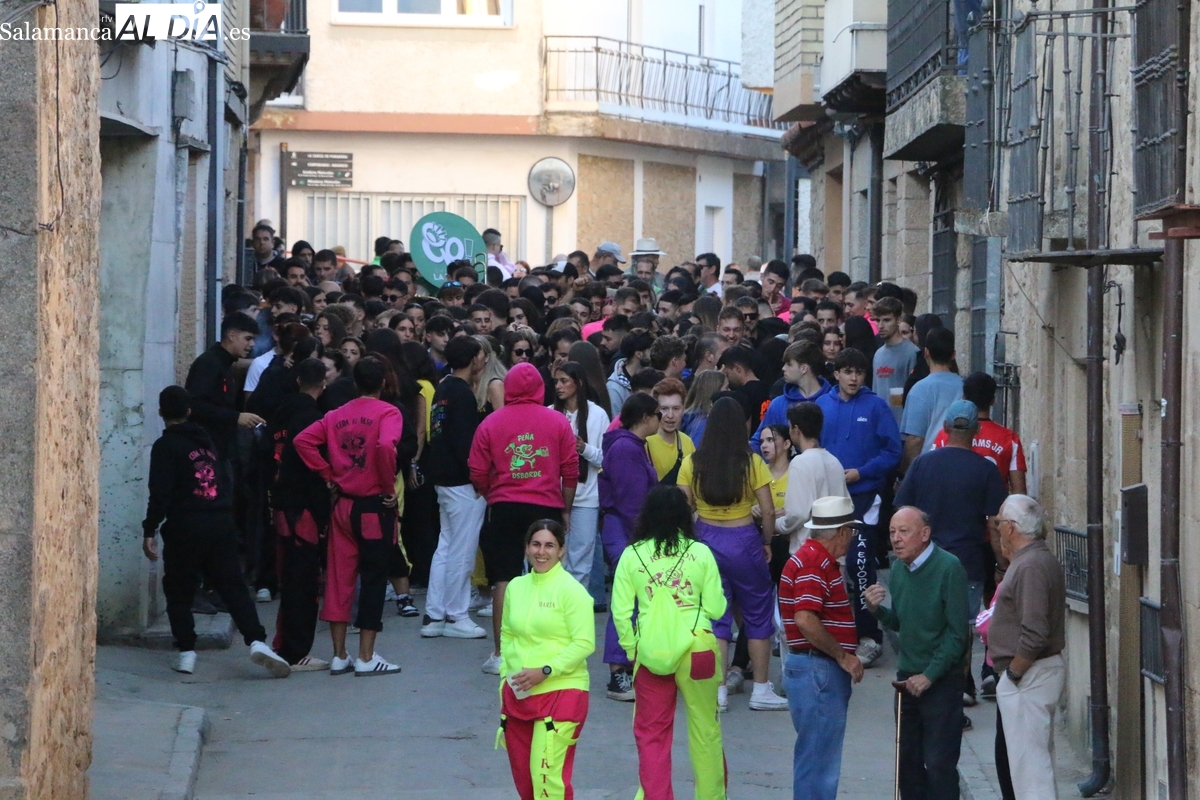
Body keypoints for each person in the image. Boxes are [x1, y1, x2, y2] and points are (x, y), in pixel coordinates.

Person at [141, 386, 291, 678]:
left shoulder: (165, 446)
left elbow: (159, 492)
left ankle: (186, 651)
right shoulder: (208, 442)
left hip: (185, 525)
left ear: (160, 413)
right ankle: (257, 640)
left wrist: (150, 528)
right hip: (219, 521)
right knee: (233, 586)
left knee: (179, 590)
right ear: (189, 412)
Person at [611, 486, 728, 799]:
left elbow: (620, 612)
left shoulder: (632, 555)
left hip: (652, 653)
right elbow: (717, 608)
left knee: (652, 734)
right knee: (705, 730)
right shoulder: (700, 552)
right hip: (698, 649)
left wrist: (632, 648)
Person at [293, 357, 404, 676]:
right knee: (373, 579)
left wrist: (328, 473)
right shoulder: (388, 412)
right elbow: (386, 446)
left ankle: (339, 654)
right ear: (383, 382)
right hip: (373, 506)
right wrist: (388, 487)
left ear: (355, 383)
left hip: (342, 505)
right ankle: (366, 657)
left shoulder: (335, 415)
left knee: (339, 580)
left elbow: (303, 441)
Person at [677, 397, 788, 711]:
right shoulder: (752, 463)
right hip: (744, 540)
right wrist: (766, 542)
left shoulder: (691, 463)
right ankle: (761, 690)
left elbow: (684, 508)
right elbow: (768, 511)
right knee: (757, 613)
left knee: (715, 617)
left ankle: (719, 691)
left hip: (706, 540)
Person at [895, 400, 1007, 708]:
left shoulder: (922, 464)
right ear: (976, 430)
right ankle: (958, 689)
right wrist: (1001, 564)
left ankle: (925, 685)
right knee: (961, 630)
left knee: (927, 626)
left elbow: (903, 510)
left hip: (925, 562)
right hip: (967, 563)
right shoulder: (985, 470)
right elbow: (995, 523)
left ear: (945, 428)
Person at [470, 363, 580, 676]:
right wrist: (566, 509)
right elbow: (570, 470)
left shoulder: (491, 422)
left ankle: (500, 654)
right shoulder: (557, 421)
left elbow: (477, 470)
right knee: (547, 578)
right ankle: (546, 649)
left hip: (505, 506)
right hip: (545, 507)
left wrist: (492, 493)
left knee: (503, 580)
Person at [865, 507, 970, 800]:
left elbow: (958, 634)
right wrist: (876, 610)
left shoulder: (949, 568)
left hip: (942, 680)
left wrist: (929, 675)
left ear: (925, 534)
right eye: (892, 532)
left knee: (938, 764)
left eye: (904, 531)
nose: (896, 539)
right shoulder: (899, 569)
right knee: (907, 764)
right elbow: (901, 621)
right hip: (906, 679)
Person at [816, 348, 901, 668]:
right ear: (836, 374)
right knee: (826, 566)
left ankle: (870, 636)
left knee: (860, 563)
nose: (854, 378)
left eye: (859, 372)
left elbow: (893, 451)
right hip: (829, 501)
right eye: (848, 372)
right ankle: (829, 633)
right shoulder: (822, 405)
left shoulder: (876, 406)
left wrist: (862, 473)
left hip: (864, 499)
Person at [498, 520, 595, 800]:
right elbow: (507, 634)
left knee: (547, 780)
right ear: (527, 548)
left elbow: (585, 643)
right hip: (518, 694)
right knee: (525, 783)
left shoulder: (572, 591)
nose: (542, 552)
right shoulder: (515, 587)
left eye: (549, 545)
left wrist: (546, 670)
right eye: (536, 544)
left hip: (563, 692)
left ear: (561, 550)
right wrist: (505, 678)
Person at [779, 496, 865, 800]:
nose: (852, 538)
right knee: (819, 761)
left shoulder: (811, 558)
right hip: (818, 669)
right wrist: (843, 656)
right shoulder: (815, 562)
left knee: (816, 757)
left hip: (812, 668)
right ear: (842, 532)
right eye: (851, 531)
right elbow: (805, 618)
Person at [988, 495, 1066, 799]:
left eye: (998, 523)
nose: (996, 528)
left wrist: (1012, 675)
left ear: (1010, 527)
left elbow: (1034, 632)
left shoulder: (1030, 565)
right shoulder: (1033, 560)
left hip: (1029, 676)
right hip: (1031, 674)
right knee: (1029, 765)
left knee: (1030, 770)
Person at [422, 337, 490, 640]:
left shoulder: (443, 389)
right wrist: (478, 479)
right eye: (481, 355)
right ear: (473, 359)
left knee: (446, 547)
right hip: (463, 483)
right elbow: (466, 444)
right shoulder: (462, 394)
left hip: (444, 479)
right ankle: (456, 615)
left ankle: (435, 614)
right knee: (462, 550)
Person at [266, 358, 331, 670]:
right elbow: (314, 474)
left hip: (280, 503)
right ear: (323, 384)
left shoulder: (279, 413)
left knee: (289, 577)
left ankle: (284, 644)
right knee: (303, 581)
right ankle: (295, 650)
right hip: (303, 510)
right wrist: (323, 515)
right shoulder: (313, 420)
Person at [598, 393, 661, 701]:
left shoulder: (632, 445)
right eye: (658, 414)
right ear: (646, 417)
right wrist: (642, 542)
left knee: (631, 600)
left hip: (628, 531)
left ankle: (627, 669)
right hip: (626, 533)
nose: (663, 419)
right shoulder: (626, 449)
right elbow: (631, 503)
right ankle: (618, 673)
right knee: (627, 602)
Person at [551, 362, 610, 585]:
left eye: (564, 381)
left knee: (581, 563)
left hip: (586, 498)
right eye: (556, 381)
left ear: (579, 383)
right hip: (554, 496)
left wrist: (583, 448)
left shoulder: (598, 414)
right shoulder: (550, 413)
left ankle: (576, 605)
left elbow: (605, 459)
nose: (558, 386)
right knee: (554, 559)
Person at [184, 311, 264, 462]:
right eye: (248, 338)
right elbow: (196, 405)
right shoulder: (209, 364)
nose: (251, 344)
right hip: (208, 449)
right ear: (232, 335)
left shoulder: (223, 364)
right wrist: (236, 417)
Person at [931, 372, 1027, 494]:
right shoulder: (1009, 439)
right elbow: (1019, 493)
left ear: (964, 398)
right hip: (995, 505)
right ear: (993, 401)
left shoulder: (945, 435)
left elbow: (931, 476)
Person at [777, 402, 849, 551]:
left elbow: (797, 514)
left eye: (790, 427)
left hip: (808, 551)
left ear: (796, 429)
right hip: (834, 550)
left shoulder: (800, 462)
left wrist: (776, 524)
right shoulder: (834, 461)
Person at [751, 341, 832, 454]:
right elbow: (758, 441)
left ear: (804, 368)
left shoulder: (832, 402)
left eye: (789, 364)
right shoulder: (778, 404)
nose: (783, 368)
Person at [900, 327, 963, 470]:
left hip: (929, 467)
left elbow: (915, 439)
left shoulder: (919, 389)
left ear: (926, 352)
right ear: (953, 355)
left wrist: (906, 473)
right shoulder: (964, 387)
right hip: (960, 464)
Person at [871, 297, 920, 423]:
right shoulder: (878, 354)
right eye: (878, 320)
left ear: (898, 320)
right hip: (880, 424)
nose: (881, 326)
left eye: (887, 320)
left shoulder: (912, 353)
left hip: (902, 424)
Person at [644, 378, 693, 482]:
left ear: (683, 409)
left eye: (676, 408)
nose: (670, 415)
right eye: (664, 409)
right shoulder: (645, 442)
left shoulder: (687, 442)